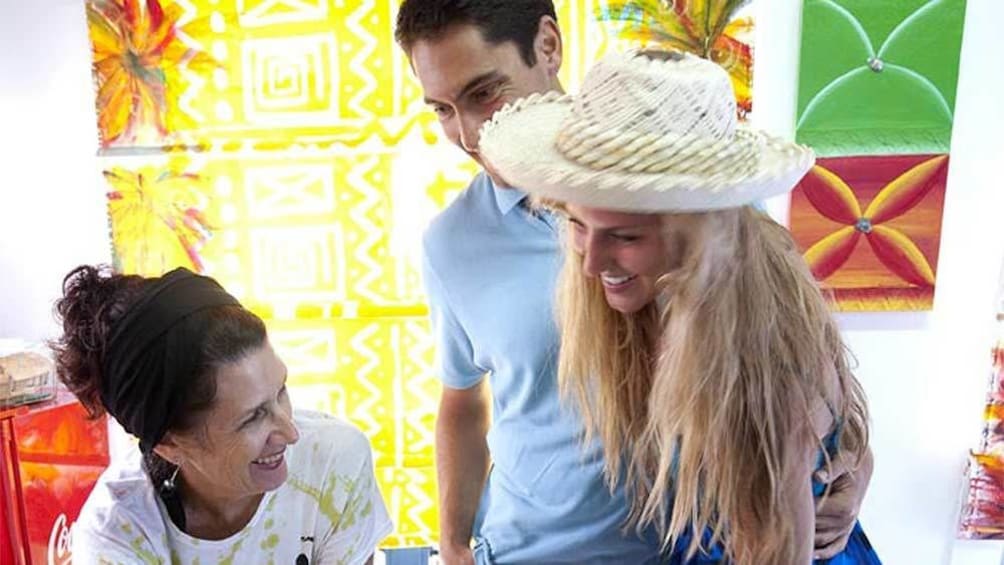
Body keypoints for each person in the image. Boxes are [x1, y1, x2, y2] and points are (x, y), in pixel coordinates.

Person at [395, 2, 873, 564]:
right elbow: (461, 399)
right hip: (533, 549)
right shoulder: (452, 243)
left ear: (548, 45)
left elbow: (800, 374)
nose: (470, 134)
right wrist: (452, 544)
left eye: (483, 94)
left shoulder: (716, 209)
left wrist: (853, 462)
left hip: (696, 544)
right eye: (442, 110)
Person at [51, 265, 393, 564]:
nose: (290, 433)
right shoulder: (118, 534)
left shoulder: (334, 464)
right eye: (252, 417)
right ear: (169, 444)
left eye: (281, 392)